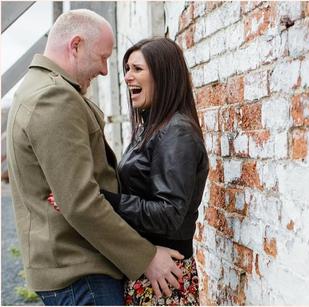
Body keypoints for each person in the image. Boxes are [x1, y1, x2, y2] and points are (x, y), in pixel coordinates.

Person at [6, 9, 183, 306]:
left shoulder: (36, 89)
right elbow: (80, 202)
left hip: (74, 271)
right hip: (82, 273)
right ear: (76, 45)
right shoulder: (54, 98)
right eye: (102, 57)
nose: (104, 70)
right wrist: (147, 257)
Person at [50, 37, 209, 305]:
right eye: (127, 69)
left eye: (137, 69)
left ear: (163, 74)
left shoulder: (177, 133)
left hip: (164, 278)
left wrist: (102, 200)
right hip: (149, 269)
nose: (127, 77)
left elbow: (169, 214)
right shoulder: (151, 128)